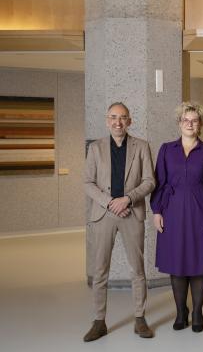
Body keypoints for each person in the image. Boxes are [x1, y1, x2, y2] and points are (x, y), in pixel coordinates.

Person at [83, 102, 156, 342]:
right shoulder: (95, 148)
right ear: (107, 120)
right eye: (114, 117)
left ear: (130, 121)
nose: (118, 122)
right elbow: (87, 183)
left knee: (138, 269)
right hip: (103, 215)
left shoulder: (142, 146)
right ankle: (99, 320)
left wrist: (127, 199)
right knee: (100, 270)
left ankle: (139, 318)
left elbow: (149, 181)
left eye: (123, 117)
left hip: (131, 213)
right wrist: (109, 202)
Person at [150, 102, 203, 333]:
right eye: (185, 120)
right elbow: (159, 181)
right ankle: (181, 311)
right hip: (172, 210)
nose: (190, 124)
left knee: (199, 264)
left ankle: (198, 311)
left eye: (194, 120)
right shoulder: (166, 149)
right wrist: (157, 211)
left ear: (200, 124)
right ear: (179, 123)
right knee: (176, 263)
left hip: (201, 211)